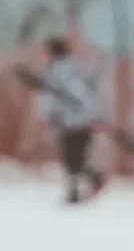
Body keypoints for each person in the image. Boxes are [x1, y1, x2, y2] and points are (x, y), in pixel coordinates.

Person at [37, 37, 104, 204]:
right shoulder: (72, 67)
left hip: (74, 124)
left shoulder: (61, 70)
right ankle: (82, 188)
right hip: (75, 123)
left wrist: (45, 115)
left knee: (72, 160)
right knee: (73, 160)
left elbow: (55, 96)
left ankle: (84, 187)